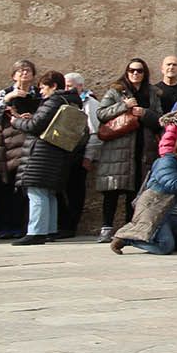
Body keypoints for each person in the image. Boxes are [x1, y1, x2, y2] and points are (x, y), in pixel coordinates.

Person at [109, 134, 177, 255]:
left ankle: (169, 239)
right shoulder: (166, 162)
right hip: (156, 210)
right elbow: (173, 186)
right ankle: (127, 238)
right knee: (165, 247)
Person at [6, 71, 79, 246]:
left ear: (53, 86)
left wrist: (16, 122)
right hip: (58, 152)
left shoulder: (54, 100)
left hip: (43, 153)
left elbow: (35, 125)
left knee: (36, 191)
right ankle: (49, 230)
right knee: (48, 192)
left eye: (43, 87)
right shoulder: (71, 100)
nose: (41, 92)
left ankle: (36, 232)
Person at [95, 58, 156, 241]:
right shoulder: (116, 90)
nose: (135, 74)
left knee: (136, 191)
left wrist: (144, 113)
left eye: (139, 71)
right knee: (112, 189)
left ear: (145, 73)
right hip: (117, 148)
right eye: (131, 70)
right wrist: (124, 106)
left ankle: (130, 229)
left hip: (142, 148)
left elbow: (159, 118)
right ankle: (106, 229)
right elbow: (101, 114)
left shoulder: (152, 93)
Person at [0, 60, 39, 239]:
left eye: (28, 71)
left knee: (25, 188)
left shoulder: (37, 93)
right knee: (7, 186)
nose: (24, 73)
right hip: (8, 147)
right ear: (13, 75)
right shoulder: (5, 93)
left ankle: (20, 227)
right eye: (20, 71)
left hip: (29, 144)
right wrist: (8, 99)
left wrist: (32, 117)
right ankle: (5, 226)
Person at [61, 72, 100, 238]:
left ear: (80, 86)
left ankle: (70, 226)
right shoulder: (63, 101)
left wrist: (88, 157)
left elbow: (94, 132)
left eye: (70, 86)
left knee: (75, 191)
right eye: (65, 85)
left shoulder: (90, 103)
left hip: (79, 154)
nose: (66, 89)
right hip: (63, 153)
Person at [152, 55, 177, 147]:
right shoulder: (153, 90)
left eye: (174, 65)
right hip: (159, 134)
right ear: (162, 68)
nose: (171, 67)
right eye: (168, 64)